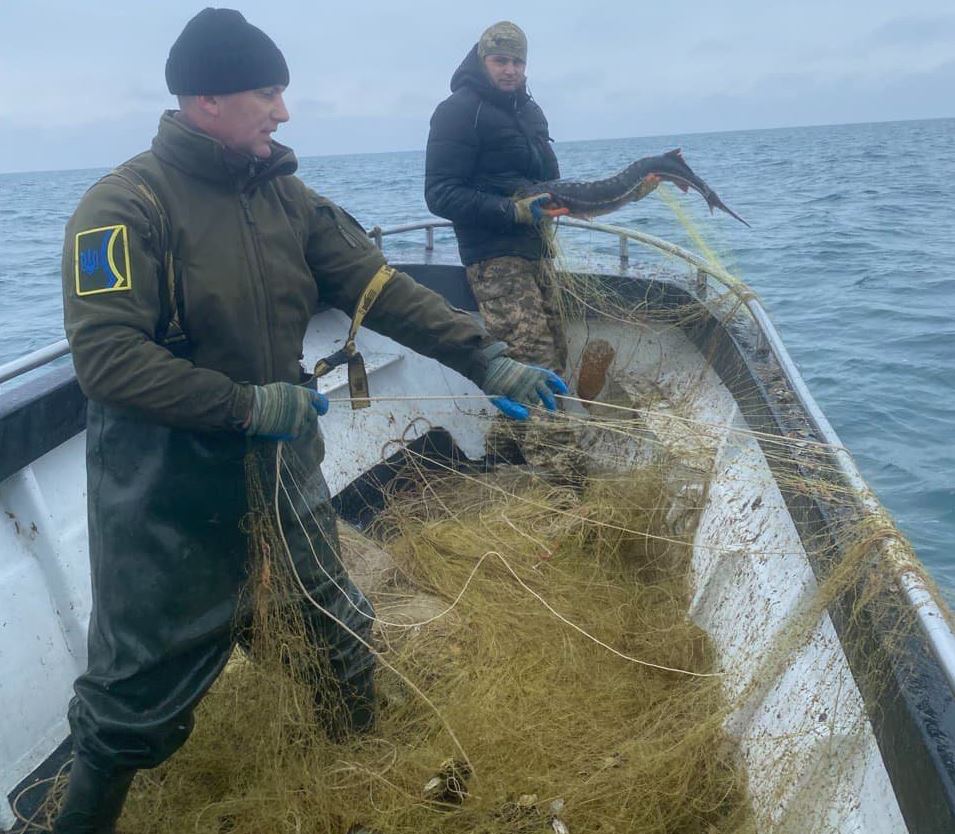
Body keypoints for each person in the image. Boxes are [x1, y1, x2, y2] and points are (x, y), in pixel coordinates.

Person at [54, 9, 566, 833]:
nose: (283, 112)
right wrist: (245, 404)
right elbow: (107, 360)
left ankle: (356, 774)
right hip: (165, 490)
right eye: (267, 93)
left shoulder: (286, 196)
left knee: (333, 630)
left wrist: (486, 357)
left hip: (281, 465)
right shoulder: (123, 206)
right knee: (132, 700)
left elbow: (379, 288)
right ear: (207, 99)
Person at [425, 21, 570, 377]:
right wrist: (512, 211)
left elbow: (549, 179)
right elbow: (439, 193)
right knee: (533, 365)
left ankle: (511, 436)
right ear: (482, 60)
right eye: (500, 61)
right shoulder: (457, 110)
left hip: (537, 252)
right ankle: (551, 435)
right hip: (494, 260)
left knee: (558, 352)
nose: (510, 70)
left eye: (517, 63)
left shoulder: (530, 111)